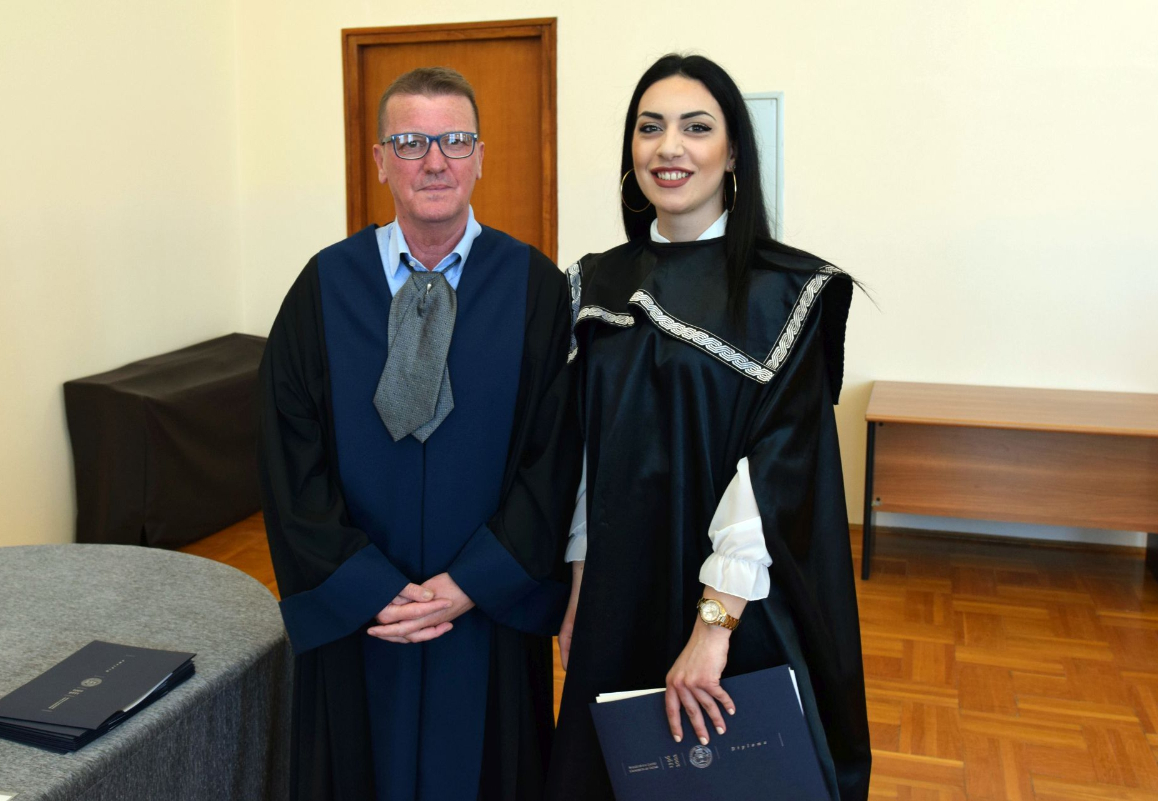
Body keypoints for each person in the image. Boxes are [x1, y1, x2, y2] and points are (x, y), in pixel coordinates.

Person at [546, 54, 871, 800]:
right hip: (620, 592)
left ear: (732, 154)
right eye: (650, 128)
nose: (670, 148)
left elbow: (774, 476)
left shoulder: (785, 290)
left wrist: (712, 627)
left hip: (737, 602)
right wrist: (581, 585)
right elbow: (588, 458)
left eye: (696, 128)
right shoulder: (596, 282)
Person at [258, 66, 580, 801]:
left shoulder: (535, 289)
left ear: (480, 156)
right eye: (410, 143)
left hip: (487, 618)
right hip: (363, 622)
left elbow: (555, 458)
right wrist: (367, 588)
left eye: (454, 140)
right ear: (380, 161)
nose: (434, 161)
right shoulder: (322, 288)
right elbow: (287, 457)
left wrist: (474, 582)